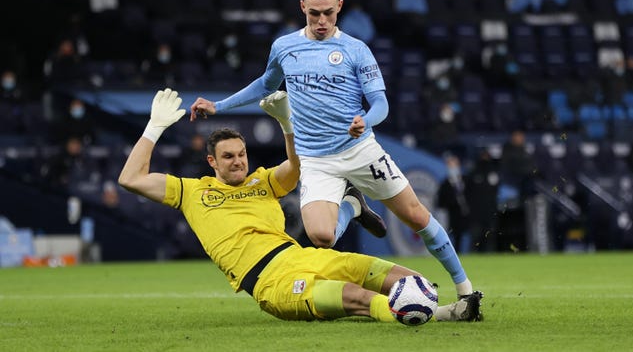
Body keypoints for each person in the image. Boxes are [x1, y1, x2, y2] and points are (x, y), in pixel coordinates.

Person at [189, 0, 481, 301]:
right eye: (314, 13)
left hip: (359, 150)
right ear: (303, 7)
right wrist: (219, 105)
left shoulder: (356, 50)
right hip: (315, 159)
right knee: (321, 237)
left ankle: (465, 289)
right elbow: (265, 84)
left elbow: (381, 104)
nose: (321, 21)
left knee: (416, 215)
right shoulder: (284, 47)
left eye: (328, 12)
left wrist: (364, 121)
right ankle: (353, 206)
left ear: (339, 7)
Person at [119, 88, 483, 322]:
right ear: (212, 162)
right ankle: (444, 315)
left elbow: (295, 166)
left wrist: (286, 123)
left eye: (242, 154)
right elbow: (131, 178)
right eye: (228, 156)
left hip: (304, 256)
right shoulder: (191, 191)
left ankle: (444, 306)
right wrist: (154, 128)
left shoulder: (262, 181)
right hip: (271, 280)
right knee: (356, 298)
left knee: (406, 278)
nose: (238, 161)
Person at [436, 153, 471, 254]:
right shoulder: (445, 184)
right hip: (451, 213)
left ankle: (468, 252)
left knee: (465, 234)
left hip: (465, 214)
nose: (453, 168)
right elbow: (441, 202)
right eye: (450, 165)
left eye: (454, 165)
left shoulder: (466, 180)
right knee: (451, 235)